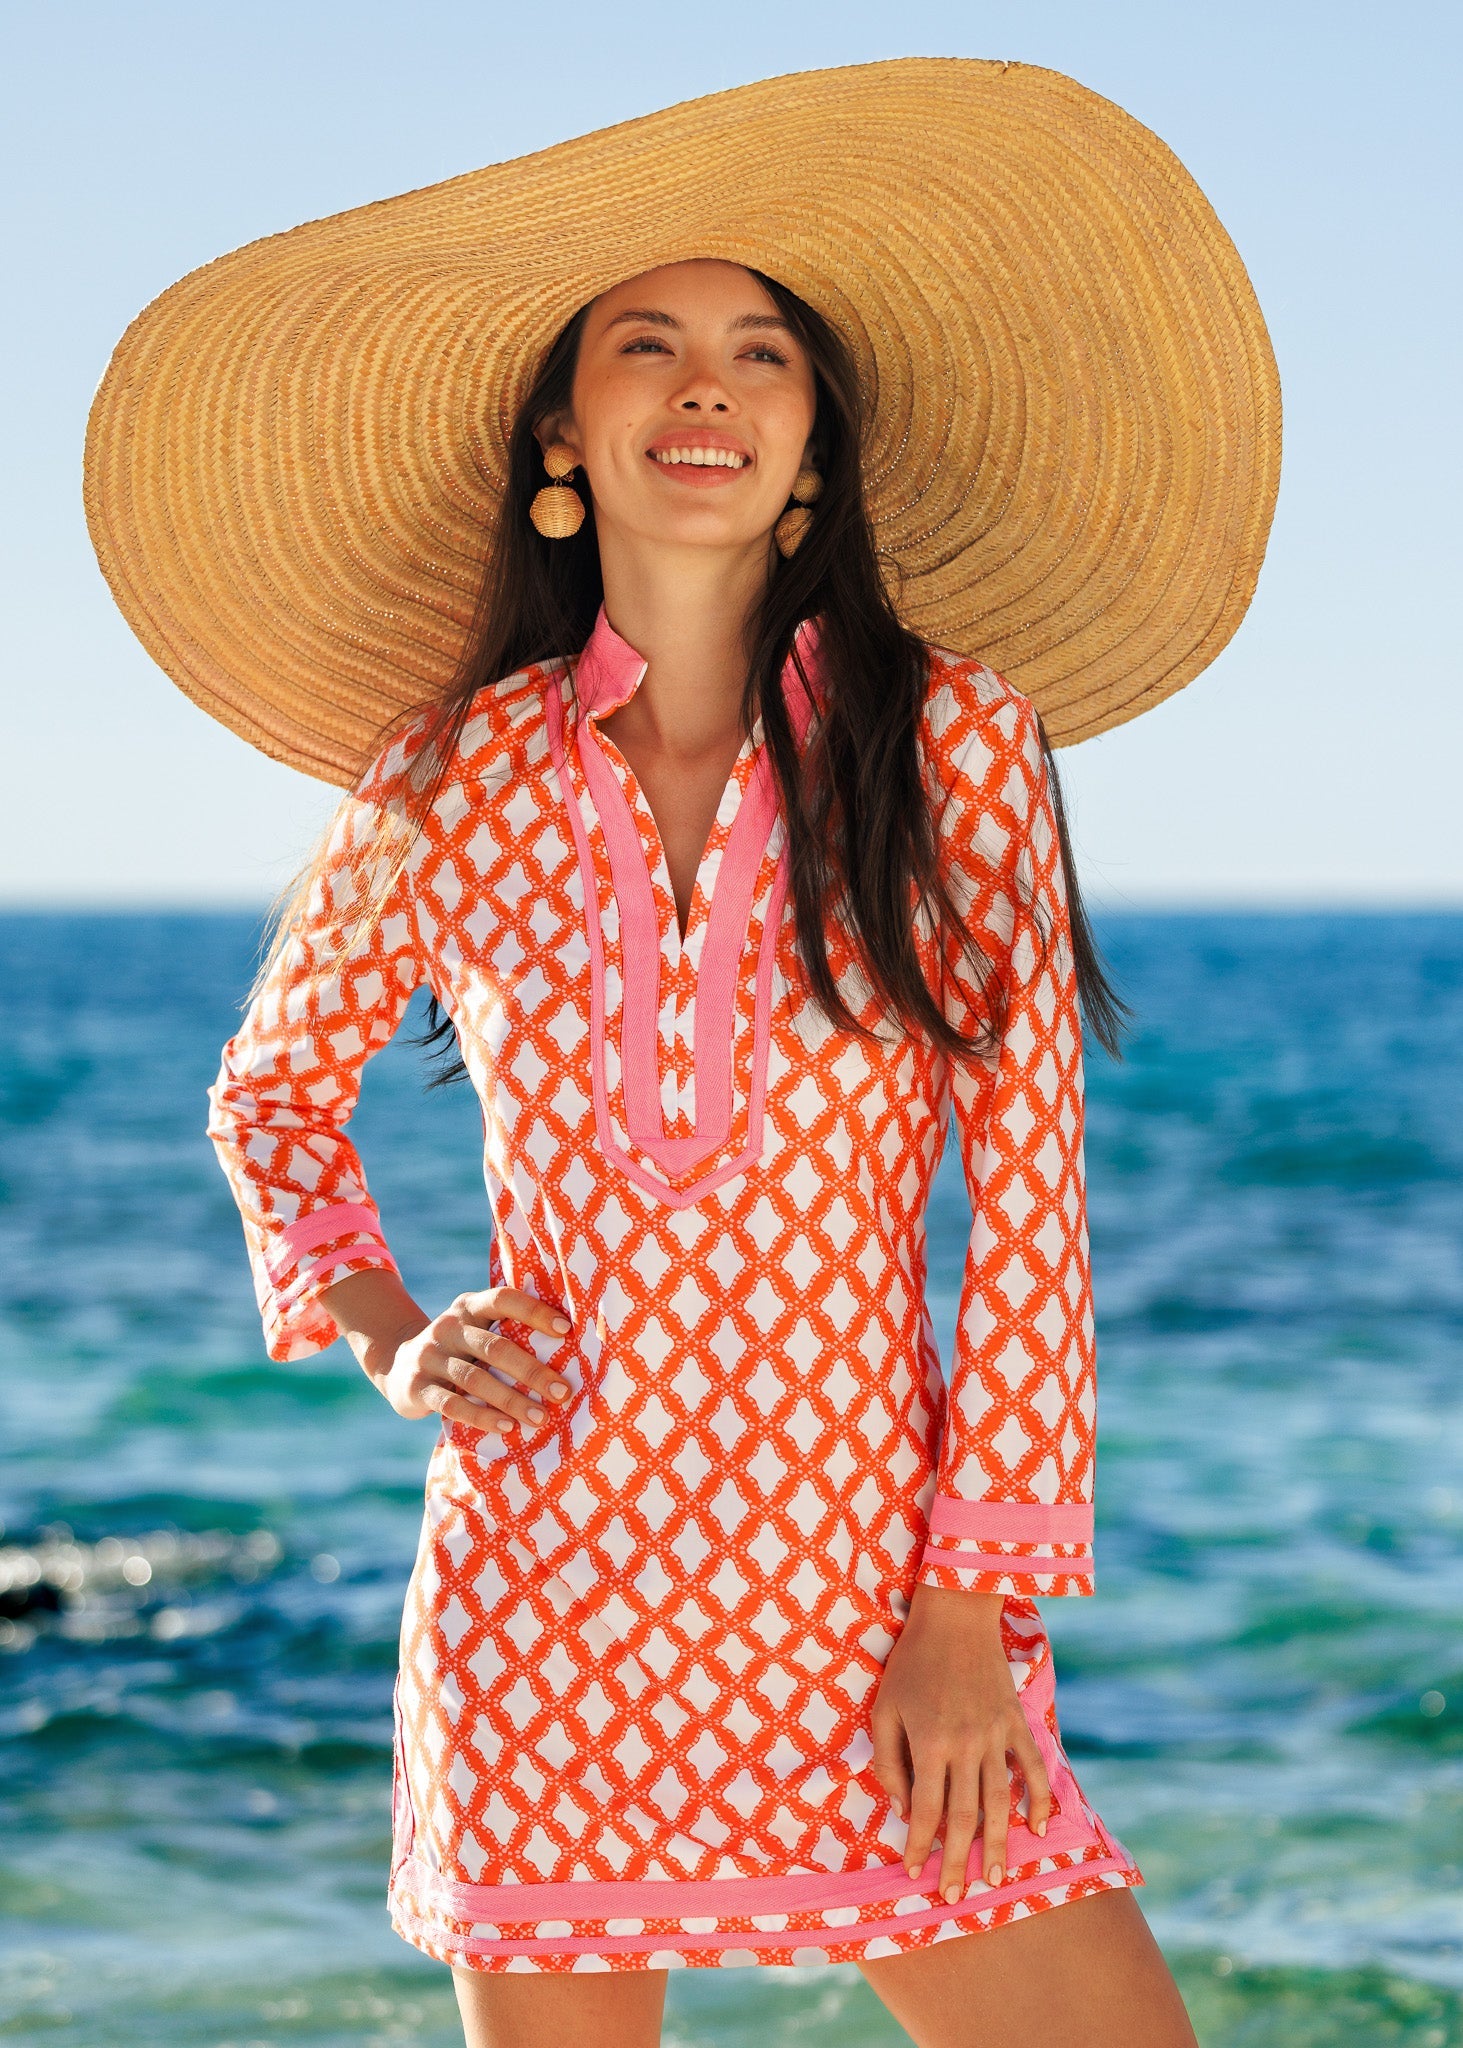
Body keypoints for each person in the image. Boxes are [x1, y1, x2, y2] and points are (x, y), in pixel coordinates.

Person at [84, 60, 1280, 2048]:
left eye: (761, 354)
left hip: (879, 1600)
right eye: (649, 345)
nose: (707, 388)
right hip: (543, 1606)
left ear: (813, 437)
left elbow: (1034, 1203)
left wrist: (971, 1606)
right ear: (566, 424)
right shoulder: (451, 770)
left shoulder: (954, 738)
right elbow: (272, 1094)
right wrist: (389, 1328)